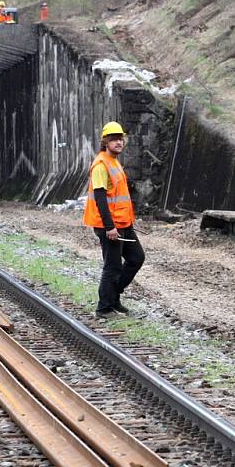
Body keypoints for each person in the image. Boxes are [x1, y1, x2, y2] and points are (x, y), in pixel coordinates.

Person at [82, 121, 145, 319]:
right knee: (112, 266)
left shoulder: (114, 161)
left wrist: (127, 222)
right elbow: (100, 198)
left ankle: (113, 296)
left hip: (123, 223)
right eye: (114, 139)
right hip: (109, 226)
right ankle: (104, 308)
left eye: (121, 139)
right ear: (105, 141)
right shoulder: (101, 165)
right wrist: (109, 227)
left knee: (136, 258)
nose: (119, 142)